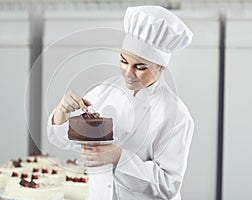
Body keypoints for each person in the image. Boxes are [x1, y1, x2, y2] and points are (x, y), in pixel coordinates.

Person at [47, 5, 194, 200]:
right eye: (123, 61)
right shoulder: (105, 91)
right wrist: (62, 113)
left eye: (140, 67)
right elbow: (66, 141)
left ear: (161, 67)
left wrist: (118, 159)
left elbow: (169, 185)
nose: (128, 73)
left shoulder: (176, 115)